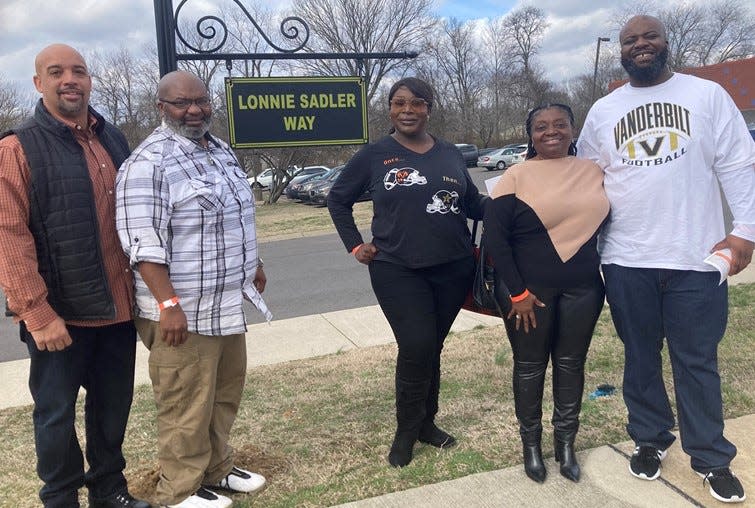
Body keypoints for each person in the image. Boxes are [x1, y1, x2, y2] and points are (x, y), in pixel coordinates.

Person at [578, 15, 754, 504]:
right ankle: (650, 439)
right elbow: (586, 181)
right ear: (621, 51)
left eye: (648, 36)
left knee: (697, 360)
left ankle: (711, 457)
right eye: (630, 40)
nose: (640, 45)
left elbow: (739, 163)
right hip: (625, 258)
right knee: (640, 358)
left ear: (664, 42)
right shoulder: (604, 110)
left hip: (696, 257)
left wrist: (746, 232)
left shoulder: (706, 96)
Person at [0, 44, 149, 508]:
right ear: (38, 83)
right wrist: (37, 313)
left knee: (111, 410)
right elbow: (8, 234)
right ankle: (61, 498)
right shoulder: (16, 148)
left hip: (118, 308)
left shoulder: (114, 139)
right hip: (58, 317)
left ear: (89, 80)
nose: (70, 79)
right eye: (56, 71)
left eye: (78, 71)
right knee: (55, 416)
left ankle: (109, 490)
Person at [116, 70, 272, 508]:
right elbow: (141, 242)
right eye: (181, 102)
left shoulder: (218, 150)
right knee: (185, 401)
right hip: (182, 312)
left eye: (200, 100)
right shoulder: (148, 163)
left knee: (223, 393)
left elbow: (234, 217)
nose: (194, 109)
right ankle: (180, 489)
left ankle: (217, 468)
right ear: (161, 107)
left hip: (226, 304)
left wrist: (254, 264)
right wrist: (168, 304)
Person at [328, 77, 488, 468]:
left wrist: (515, 202)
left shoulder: (450, 153)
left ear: (429, 108)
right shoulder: (374, 154)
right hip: (398, 269)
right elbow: (338, 198)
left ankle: (427, 424)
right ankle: (406, 430)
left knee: (431, 347)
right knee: (416, 345)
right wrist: (355, 244)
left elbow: (470, 203)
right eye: (399, 103)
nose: (408, 110)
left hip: (453, 267)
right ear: (389, 109)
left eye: (417, 103)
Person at [483, 104, 609, 483]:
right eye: (541, 127)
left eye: (560, 125)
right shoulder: (516, 176)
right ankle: (532, 447)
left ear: (573, 130)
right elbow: (496, 240)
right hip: (527, 294)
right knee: (530, 366)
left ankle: (566, 444)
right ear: (531, 134)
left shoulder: (593, 171)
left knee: (571, 365)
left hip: (584, 288)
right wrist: (517, 293)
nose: (551, 132)